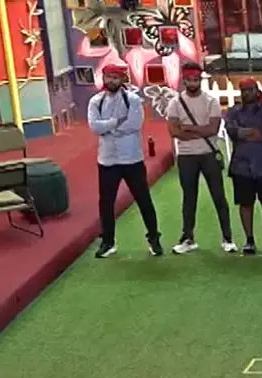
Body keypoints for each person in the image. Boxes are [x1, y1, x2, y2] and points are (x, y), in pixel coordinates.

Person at [88, 64, 161, 258]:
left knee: (143, 200)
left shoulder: (133, 99)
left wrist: (108, 128)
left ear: (122, 79)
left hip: (132, 159)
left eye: (115, 77)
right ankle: (108, 242)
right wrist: (115, 123)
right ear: (104, 78)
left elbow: (134, 124)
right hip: (107, 160)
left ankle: (154, 239)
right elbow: (94, 127)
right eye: (108, 77)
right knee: (106, 203)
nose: (111, 81)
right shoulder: (96, 101)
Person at [167, 61, 234, 255]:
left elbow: (213, 129)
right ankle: (188, 238)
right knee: (189, 198)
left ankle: (227, 238)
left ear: (200, 80)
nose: (192, 83)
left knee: (218, 196)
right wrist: (198, 130)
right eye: (189, 79)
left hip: (208, 154)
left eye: (195, 79)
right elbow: (174, 131)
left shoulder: (211, 101)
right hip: (186, 156)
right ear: (184, 80)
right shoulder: (175, 103)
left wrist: (188, 128)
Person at [224, 77, 262, 255]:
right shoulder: (233, 112)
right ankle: (249, 241)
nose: (246, 93)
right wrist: (250, 132)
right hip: (241, 167)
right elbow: (232, 131)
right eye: (243, 90)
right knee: (245, 204)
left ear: (257, 91)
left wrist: (243, 133)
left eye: (250, 90)